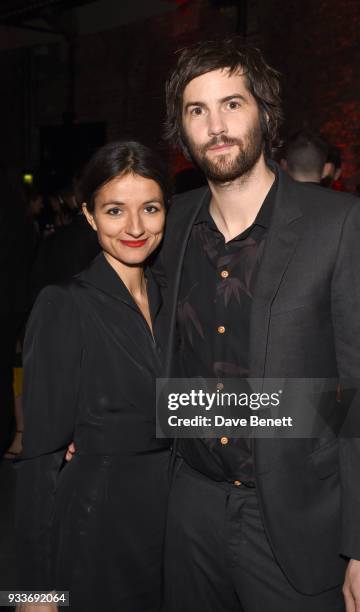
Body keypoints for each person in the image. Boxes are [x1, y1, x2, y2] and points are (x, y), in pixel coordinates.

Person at [157, 38, 360, 612]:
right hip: (186, 509)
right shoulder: (170, 224)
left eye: (232, 104)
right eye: (197, 110)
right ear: (182, 130)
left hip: (293, 520)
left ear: (264, 112)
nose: (216, 125)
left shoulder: (340, 224)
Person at [14, 141, 170, 612]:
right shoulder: (64, 305)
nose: (136, 227)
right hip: (96, 528)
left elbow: (190, 408)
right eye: (115, 210)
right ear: (89, 215)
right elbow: (39, 457)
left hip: (173, 526)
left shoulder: (176, 300)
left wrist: (336, 411)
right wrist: (32, 593)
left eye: (150, 208)